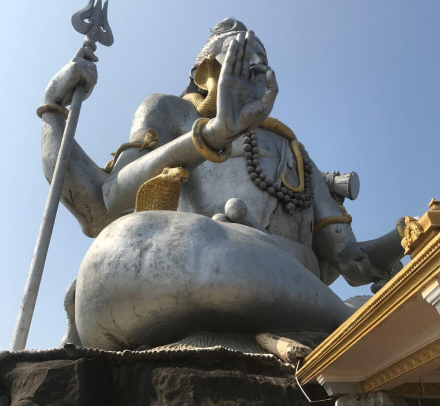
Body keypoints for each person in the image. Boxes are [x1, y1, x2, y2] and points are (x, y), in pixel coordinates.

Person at [39, 18, 404, 350]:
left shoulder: (295, 153)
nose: (254, 71)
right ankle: (347, 322)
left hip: (288, 285)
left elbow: (354, 262)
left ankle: (341, 320)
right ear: (207, 71)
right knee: (118, 246)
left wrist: (412, 234)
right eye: (241, 61)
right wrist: (53, 108)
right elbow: (104, 203)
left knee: (226, 262)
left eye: (260, 65)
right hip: (189, 262)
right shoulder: (170, 112)